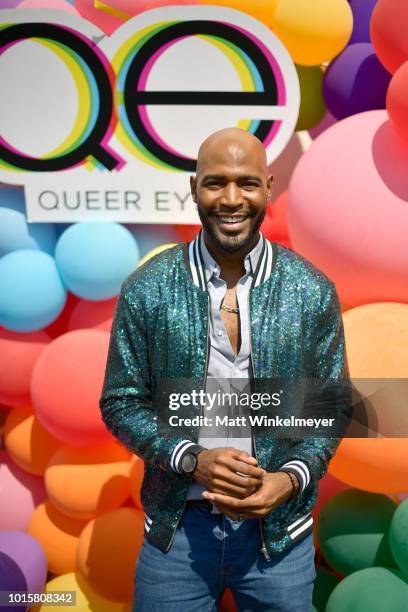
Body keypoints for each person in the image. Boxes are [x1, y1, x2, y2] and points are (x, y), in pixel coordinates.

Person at [99, 127, 351, 611]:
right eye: (215, 183)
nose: (231, 199)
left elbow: (330, 405)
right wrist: (192, 458)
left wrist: (291, 478)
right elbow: (121, 401)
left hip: (279, 537)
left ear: (269, 187)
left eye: (246, 183)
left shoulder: (311, 289)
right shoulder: (148, 287)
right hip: (177, 535)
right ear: (194, 188)